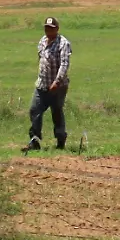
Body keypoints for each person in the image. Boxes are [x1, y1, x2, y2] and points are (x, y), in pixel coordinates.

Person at [25, 16, 72, 151]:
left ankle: (60, 141)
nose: (48, 31)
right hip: (42, 85)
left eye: (51, 28)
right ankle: (34, 141)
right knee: (34, 110)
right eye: (46, 28)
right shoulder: (42, 41)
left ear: (57, 28)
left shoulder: (63, 43)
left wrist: (57, 82)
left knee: (56, 112)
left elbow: (64, 64)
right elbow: (41, 59)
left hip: (57, 87)